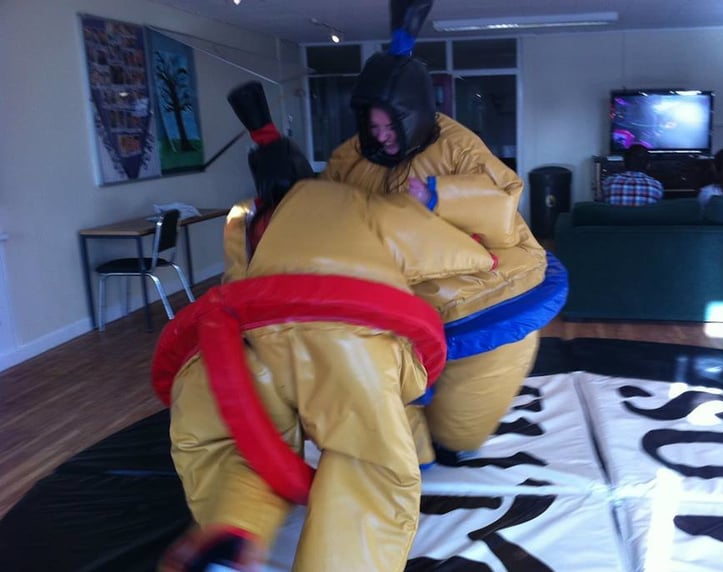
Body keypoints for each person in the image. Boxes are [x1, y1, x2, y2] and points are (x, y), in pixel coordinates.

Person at [154, 80, 497, 572]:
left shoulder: (240, 220)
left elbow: (239, 286)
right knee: (366, 464)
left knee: (244, 450)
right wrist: (478, 252)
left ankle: (231, 535)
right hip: (343, 345)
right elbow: (434, 246)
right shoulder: (350, 202)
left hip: (233, 350)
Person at [322, 0, 558, 462]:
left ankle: (448, 440)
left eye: (390, 125)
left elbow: (504, 200)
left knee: (458, 434)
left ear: (413, 113)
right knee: (380, 394)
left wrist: (440, 197)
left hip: (480, 298)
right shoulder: (354, 157)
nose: (381, 135)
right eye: (373, 125)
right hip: (396, 301)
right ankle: (409, 447)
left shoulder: (457, 148)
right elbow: (328, 200)